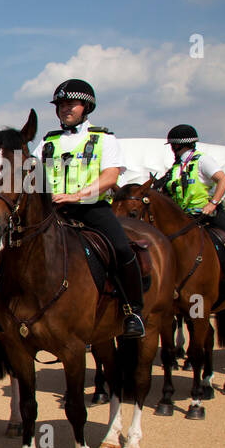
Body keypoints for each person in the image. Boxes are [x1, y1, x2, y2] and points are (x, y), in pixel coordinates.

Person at [40, 78, 143, 337]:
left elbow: (110, 177)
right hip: (54, 212)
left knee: (121, 248)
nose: (65, 109)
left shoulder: (103, 138)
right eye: (61, 105)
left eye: (71, 104)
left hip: (92, 209)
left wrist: (76, 196)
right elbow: (32, 176)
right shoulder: (47, 142)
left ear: (86, 107)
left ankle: (133, 312)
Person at [158, 124, 225, 272]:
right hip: (184, 217)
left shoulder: (202, 160)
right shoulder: (175, 168)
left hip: (207, 214)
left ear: (176, 145)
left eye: (172, 146)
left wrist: (212, 204)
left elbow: (223, 180)